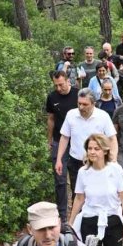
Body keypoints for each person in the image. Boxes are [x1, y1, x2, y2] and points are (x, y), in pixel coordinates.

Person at [56, 89, 118, 197]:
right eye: (79, 103)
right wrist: (59, 159)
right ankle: (78, 214)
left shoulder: (103, 116)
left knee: (97, 193)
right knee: (78, 194)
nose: (81, 107)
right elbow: (64, 137)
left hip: (97, 162)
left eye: (85, 104)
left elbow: (112, 139)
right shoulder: (71, 115)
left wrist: (113, 159)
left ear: (93, 103)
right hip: (76, 161)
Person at [46, 71, 79, 221]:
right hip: (59, 141)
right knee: (60, 180)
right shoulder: (52, 97)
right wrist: (50, 140)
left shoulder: (78, 95)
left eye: (61, 84)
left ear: (67, 81)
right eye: (56, 85)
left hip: (76, 141)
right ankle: (63, 216)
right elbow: (51, 119)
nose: (59, 88)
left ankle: (77, 215)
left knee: (77, 179)